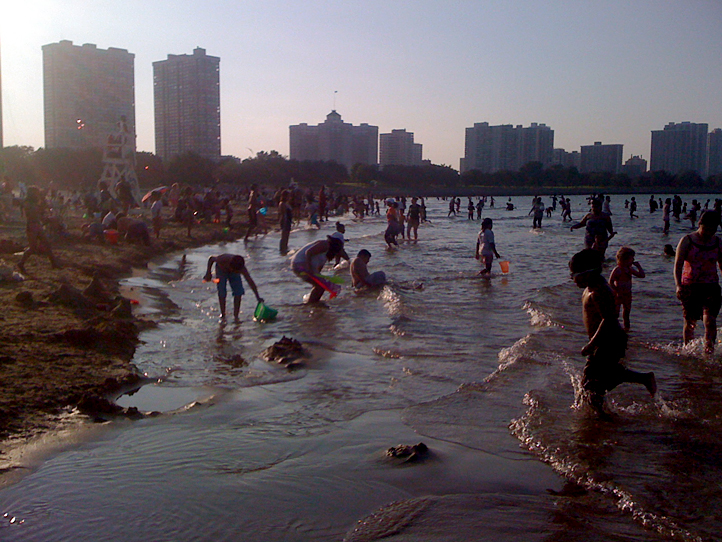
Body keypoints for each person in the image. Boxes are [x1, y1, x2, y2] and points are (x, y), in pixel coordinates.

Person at [569, 249, 656, 416]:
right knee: (605, 376)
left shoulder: (599, 291)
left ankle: (602, 421)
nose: (573, 280)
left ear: (589, 273)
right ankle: (644, 379)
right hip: (604, 341)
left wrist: (591, 344)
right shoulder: (590, 288)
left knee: (590, 387)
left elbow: (609, 319)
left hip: (609, 341)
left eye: (574, 276)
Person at [674, 210, 722, 355]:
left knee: (710, 322)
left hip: (711, 286)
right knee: (690, 323)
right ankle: (687, 352)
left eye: (712, 230)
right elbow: (678, 265)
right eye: (706, 229)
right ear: (700, 224)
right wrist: (678, 286)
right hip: (690, 287)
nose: (709, 233)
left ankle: (709, 354)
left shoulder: (718, 242)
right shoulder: (687, 240)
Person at [204, 254, 262, 321]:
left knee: (238, 292)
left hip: (233, 270)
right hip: (221, 270)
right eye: (237, 271)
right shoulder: (222, 260)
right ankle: (223, 314)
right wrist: (208, 272)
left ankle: (236, 316)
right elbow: (211, 259)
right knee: (222, 291)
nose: (238, 272)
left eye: (239, 272)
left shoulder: (241, 267)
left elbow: (250, 281)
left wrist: (258, 297)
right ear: (231, 267)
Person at [17, 186, 61, 273]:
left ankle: (54, 263)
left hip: (37, 225)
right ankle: (21, 263)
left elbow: (39, 214)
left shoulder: (34, 203)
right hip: (32, 226)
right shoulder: (28, 203)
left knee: (47, 244)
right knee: (32, 248)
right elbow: (33, 213)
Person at [291, 234, 346, 303]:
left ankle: (313, 303)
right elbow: (308, 252)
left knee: (320, 285)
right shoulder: (325, 244)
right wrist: (309, 268)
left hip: (302, 264)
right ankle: (311, 304)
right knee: (320, 286)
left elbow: (319, 268)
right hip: (300, 264)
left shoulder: (328, 253)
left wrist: (318, 277)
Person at [609, 246, 646, 332]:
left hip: (628, 294)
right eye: (631, 258)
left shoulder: (629, 269)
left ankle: (627, 329)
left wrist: (639, 267)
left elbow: (642, 275)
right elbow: (610, 282)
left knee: (626, 313)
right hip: (618, 294)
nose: (633, 260)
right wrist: (617, 291)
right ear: (624, 259)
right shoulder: (617, 270)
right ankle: (614, 328)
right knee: (616, 313)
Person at [278, 189, 293, 253]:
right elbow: (283, 214)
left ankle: (285, 248)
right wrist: (283, 222)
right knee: (284, 236)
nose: (289, 197)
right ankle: (282, 249)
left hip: (288, 220)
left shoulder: (286, 203)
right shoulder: (282, 204)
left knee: (287, 235)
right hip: (285, 221)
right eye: (288, 196)